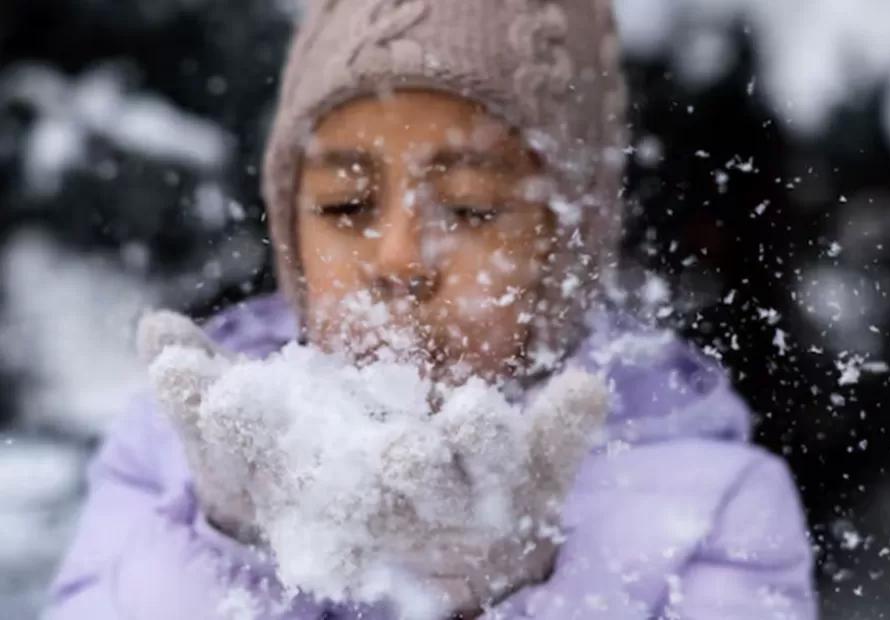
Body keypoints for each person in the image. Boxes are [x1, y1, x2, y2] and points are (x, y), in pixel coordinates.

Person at [46, 1, 817, 619]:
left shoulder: (712, 508)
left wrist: (504, 595)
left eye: (469, 207)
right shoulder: (170, 461)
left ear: (566, 245)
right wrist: (232, 555)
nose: (398, 261)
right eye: (346, 204)